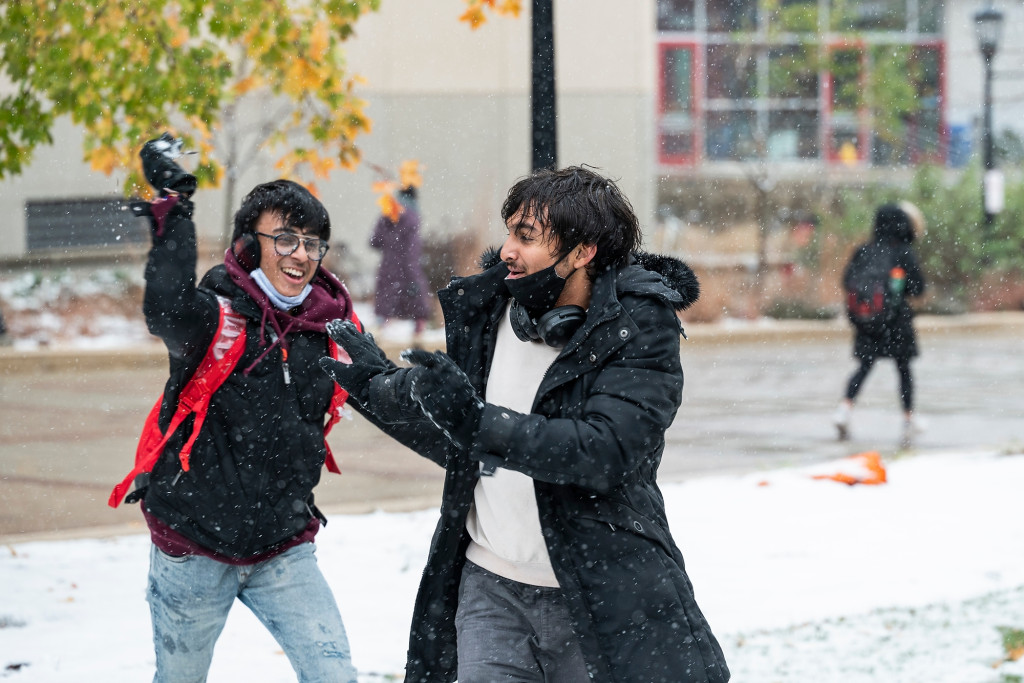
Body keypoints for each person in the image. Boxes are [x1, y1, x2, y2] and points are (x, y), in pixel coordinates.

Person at [321, 166, 730, 682]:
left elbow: (602, 451)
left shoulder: (639, 327)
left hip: (597, 594)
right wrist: (376, 386)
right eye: (509, 231)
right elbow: (459, 434)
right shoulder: (491, 313)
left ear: (583, 252)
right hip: (489, 591)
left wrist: (477, 422)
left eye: (527, 236)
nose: (507, 249)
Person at [122, 134, 360, 681]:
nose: (301, 253)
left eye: (312, 242)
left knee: (336, 676)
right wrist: (177, 208)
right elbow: (166, 307)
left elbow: (387, 396)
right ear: (249, 246)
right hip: (192, 548)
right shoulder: (215, 319)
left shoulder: (327, 332)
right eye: (285, 238)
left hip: (283, 548)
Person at [834, 201, 927, 445]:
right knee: (904, 370)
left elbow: (846, 282)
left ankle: (844, 409)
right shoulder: (903, 252)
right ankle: (908, 418)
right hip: (896, 321)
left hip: (868, 320)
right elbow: (918, 288)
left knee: (864, 367)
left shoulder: (863, 250)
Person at [370, 185, 432, 344]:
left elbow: (374, 241)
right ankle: (418, 335)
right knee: (416, 301)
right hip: (407, 266)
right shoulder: (412, 217)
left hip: (388, 266)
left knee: (385, 301)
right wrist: (413, 273)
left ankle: (378, 336)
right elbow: (412, 249)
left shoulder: (388, 213)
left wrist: (389, 244)